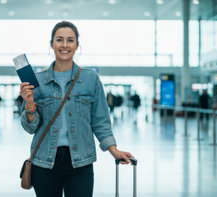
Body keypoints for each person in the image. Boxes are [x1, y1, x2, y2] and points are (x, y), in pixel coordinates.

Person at [19, 21, 134, 197]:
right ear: (51, 44)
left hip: (81, 161)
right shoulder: (37, 81)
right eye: (59, 40)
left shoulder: (91, 79)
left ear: (77, 45)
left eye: (70, 40)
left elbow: (100, 121)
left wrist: (113, 150)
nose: (65, 45)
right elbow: (30, 128)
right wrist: (29, 104)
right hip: (44, 162)